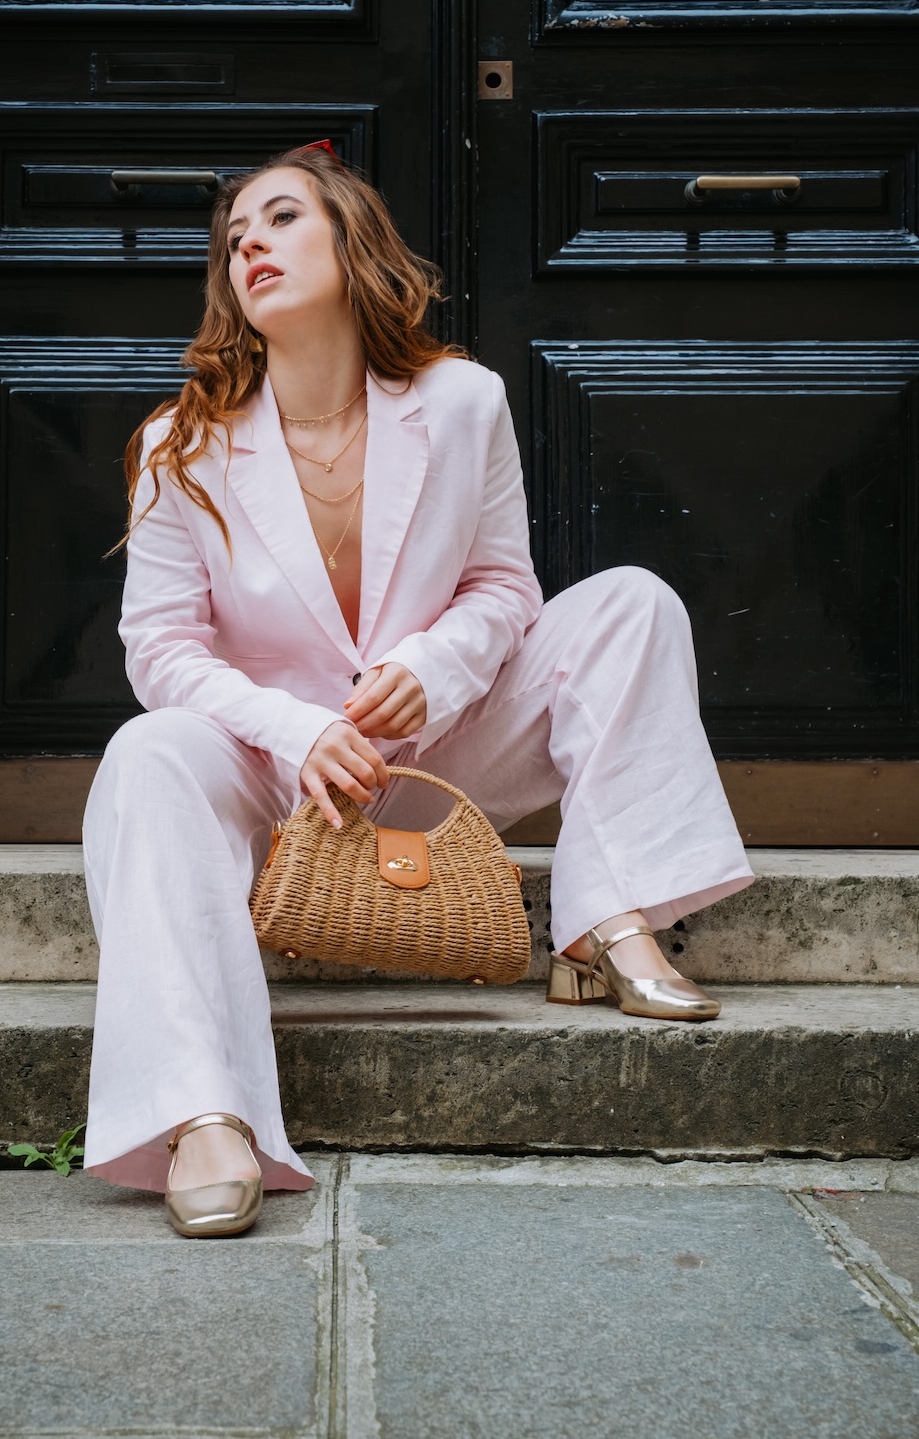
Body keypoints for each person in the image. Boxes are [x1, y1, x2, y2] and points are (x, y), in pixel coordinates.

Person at [81, 141, 754, 1238]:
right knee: (145, 750)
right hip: (271, 777)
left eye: (282, 217)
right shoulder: (180, 445)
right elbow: (160, 652)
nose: (249, 241)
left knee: (631, 600)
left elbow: (501, 585)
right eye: (235, 235)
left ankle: (602, 919)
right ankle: (204, 1112)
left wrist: (432, 668)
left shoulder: (460, 404)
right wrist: (297, 730)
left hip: (439, 754)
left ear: (352, 241)